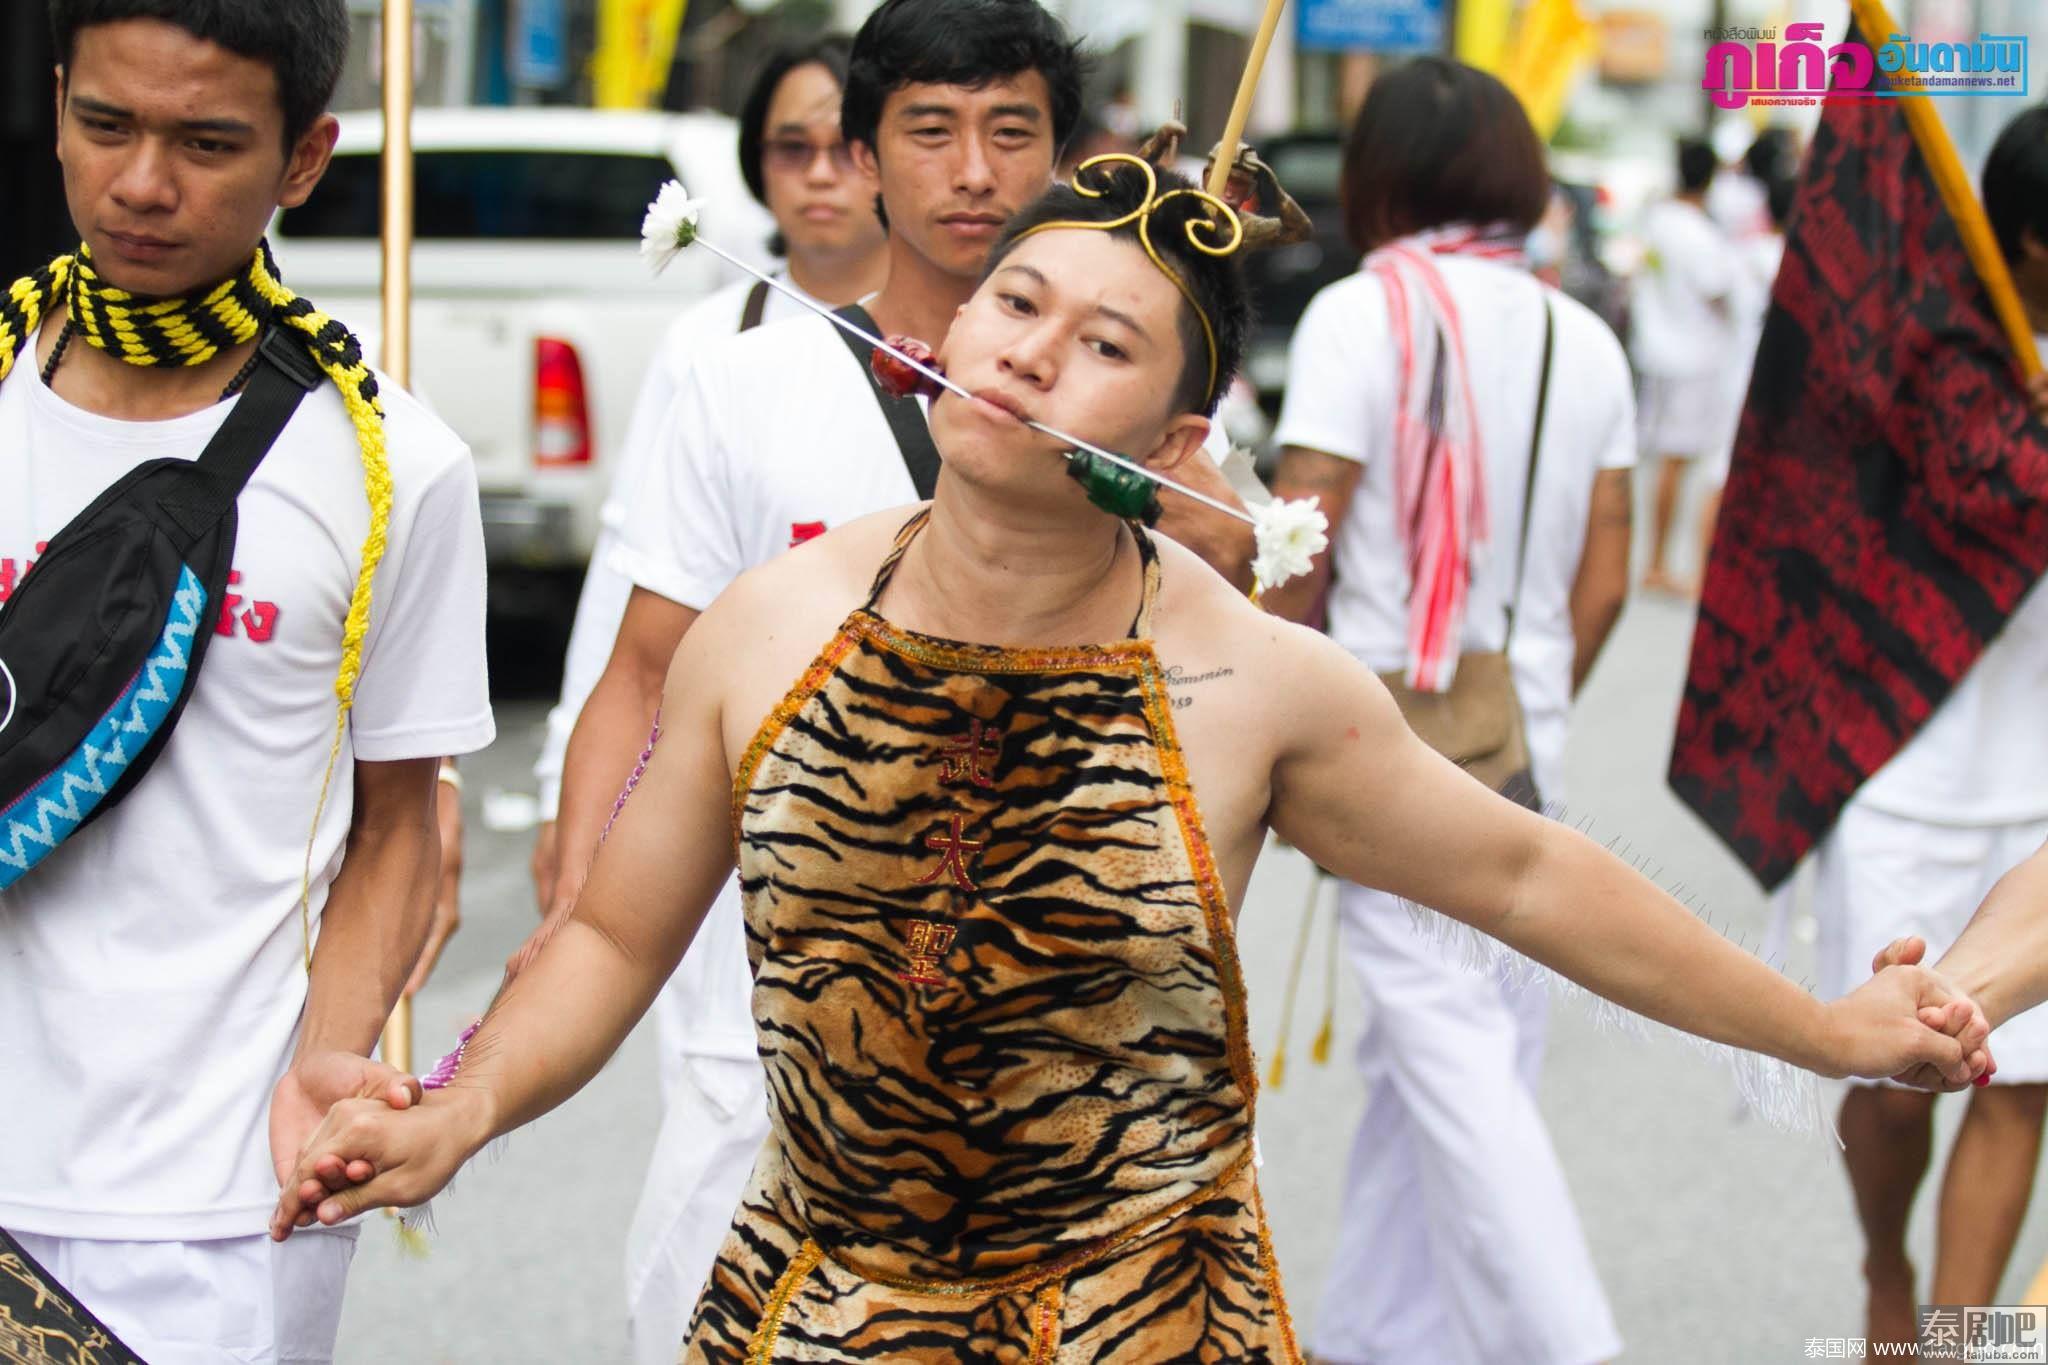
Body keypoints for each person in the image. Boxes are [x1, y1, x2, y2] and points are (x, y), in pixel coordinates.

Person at [272, 157, 1989, 1364]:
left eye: (1102, 341)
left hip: (1146, 1322)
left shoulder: (1250, 680)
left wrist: (1834, 1030)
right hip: (817, 1314)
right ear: (945, 334)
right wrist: (465, 1103)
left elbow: (1532, 878)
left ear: (1175, 443)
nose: (1028, 348)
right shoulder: (772, 620)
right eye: (1015, 300)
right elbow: (610, 937)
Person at [0, 2, 493, 1360]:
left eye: (207, 142)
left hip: (219, 1207)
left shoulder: (395, 464)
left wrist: (321, 1078)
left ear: (305, 157)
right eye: (105, 124)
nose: (142, 183)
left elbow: (407, 823)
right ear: (55, 108)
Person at [1261, 58, 1632, 1365]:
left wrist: (1274, 705)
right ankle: (1379, 1336)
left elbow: (1302, 538)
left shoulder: (1359, 317)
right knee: (1451, 1059)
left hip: (1380, 739)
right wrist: (1532, 698)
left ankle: (1568, 1345)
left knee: (1452, 1067)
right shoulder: (1577, 331)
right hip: (1525, 738)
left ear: (1379, 179)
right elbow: (1609, 565)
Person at [523, 39, 887, 1360]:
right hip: (727, 818)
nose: (825, 176)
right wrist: (586, 810)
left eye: (849, 142)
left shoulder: (993, 360)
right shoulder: (717, 344)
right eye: (791, 147)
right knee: (721, 1128)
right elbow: (636, 613)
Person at [1807, 99, 2048, 1351]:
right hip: (1897, 776)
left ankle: (1954, 1349)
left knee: (2016, 1092)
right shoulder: (1908, 353)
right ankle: (1881, 1271)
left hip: (2041, 788)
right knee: (1893, 1079)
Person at [1632, 135, 1736, 596]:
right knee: (1681, 463)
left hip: (1657, 350)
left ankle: (1656, 559)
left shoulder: (1657, 220)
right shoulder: (1698, 233)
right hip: (1692, 357)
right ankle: (1658, 562)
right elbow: (1718, 291)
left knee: (1666, 462)